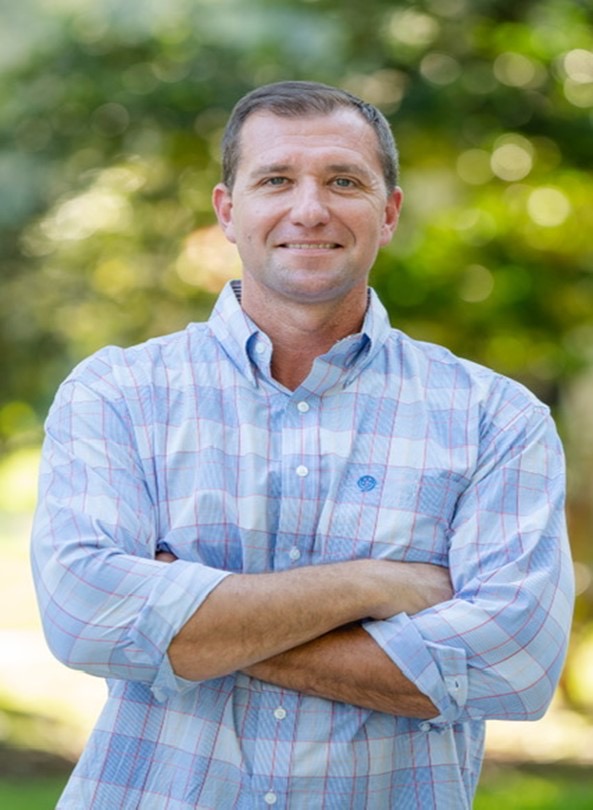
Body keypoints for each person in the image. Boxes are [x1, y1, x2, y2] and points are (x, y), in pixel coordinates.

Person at [31, 80, 574, 809]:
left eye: (343, 181)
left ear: (387, 213)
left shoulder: (495, 419)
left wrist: (186, 619)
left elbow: (512, 666)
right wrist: (371, 588)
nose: (310, 209)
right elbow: (84, 617)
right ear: (229, 210)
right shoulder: (117, 393)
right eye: (276, 180)